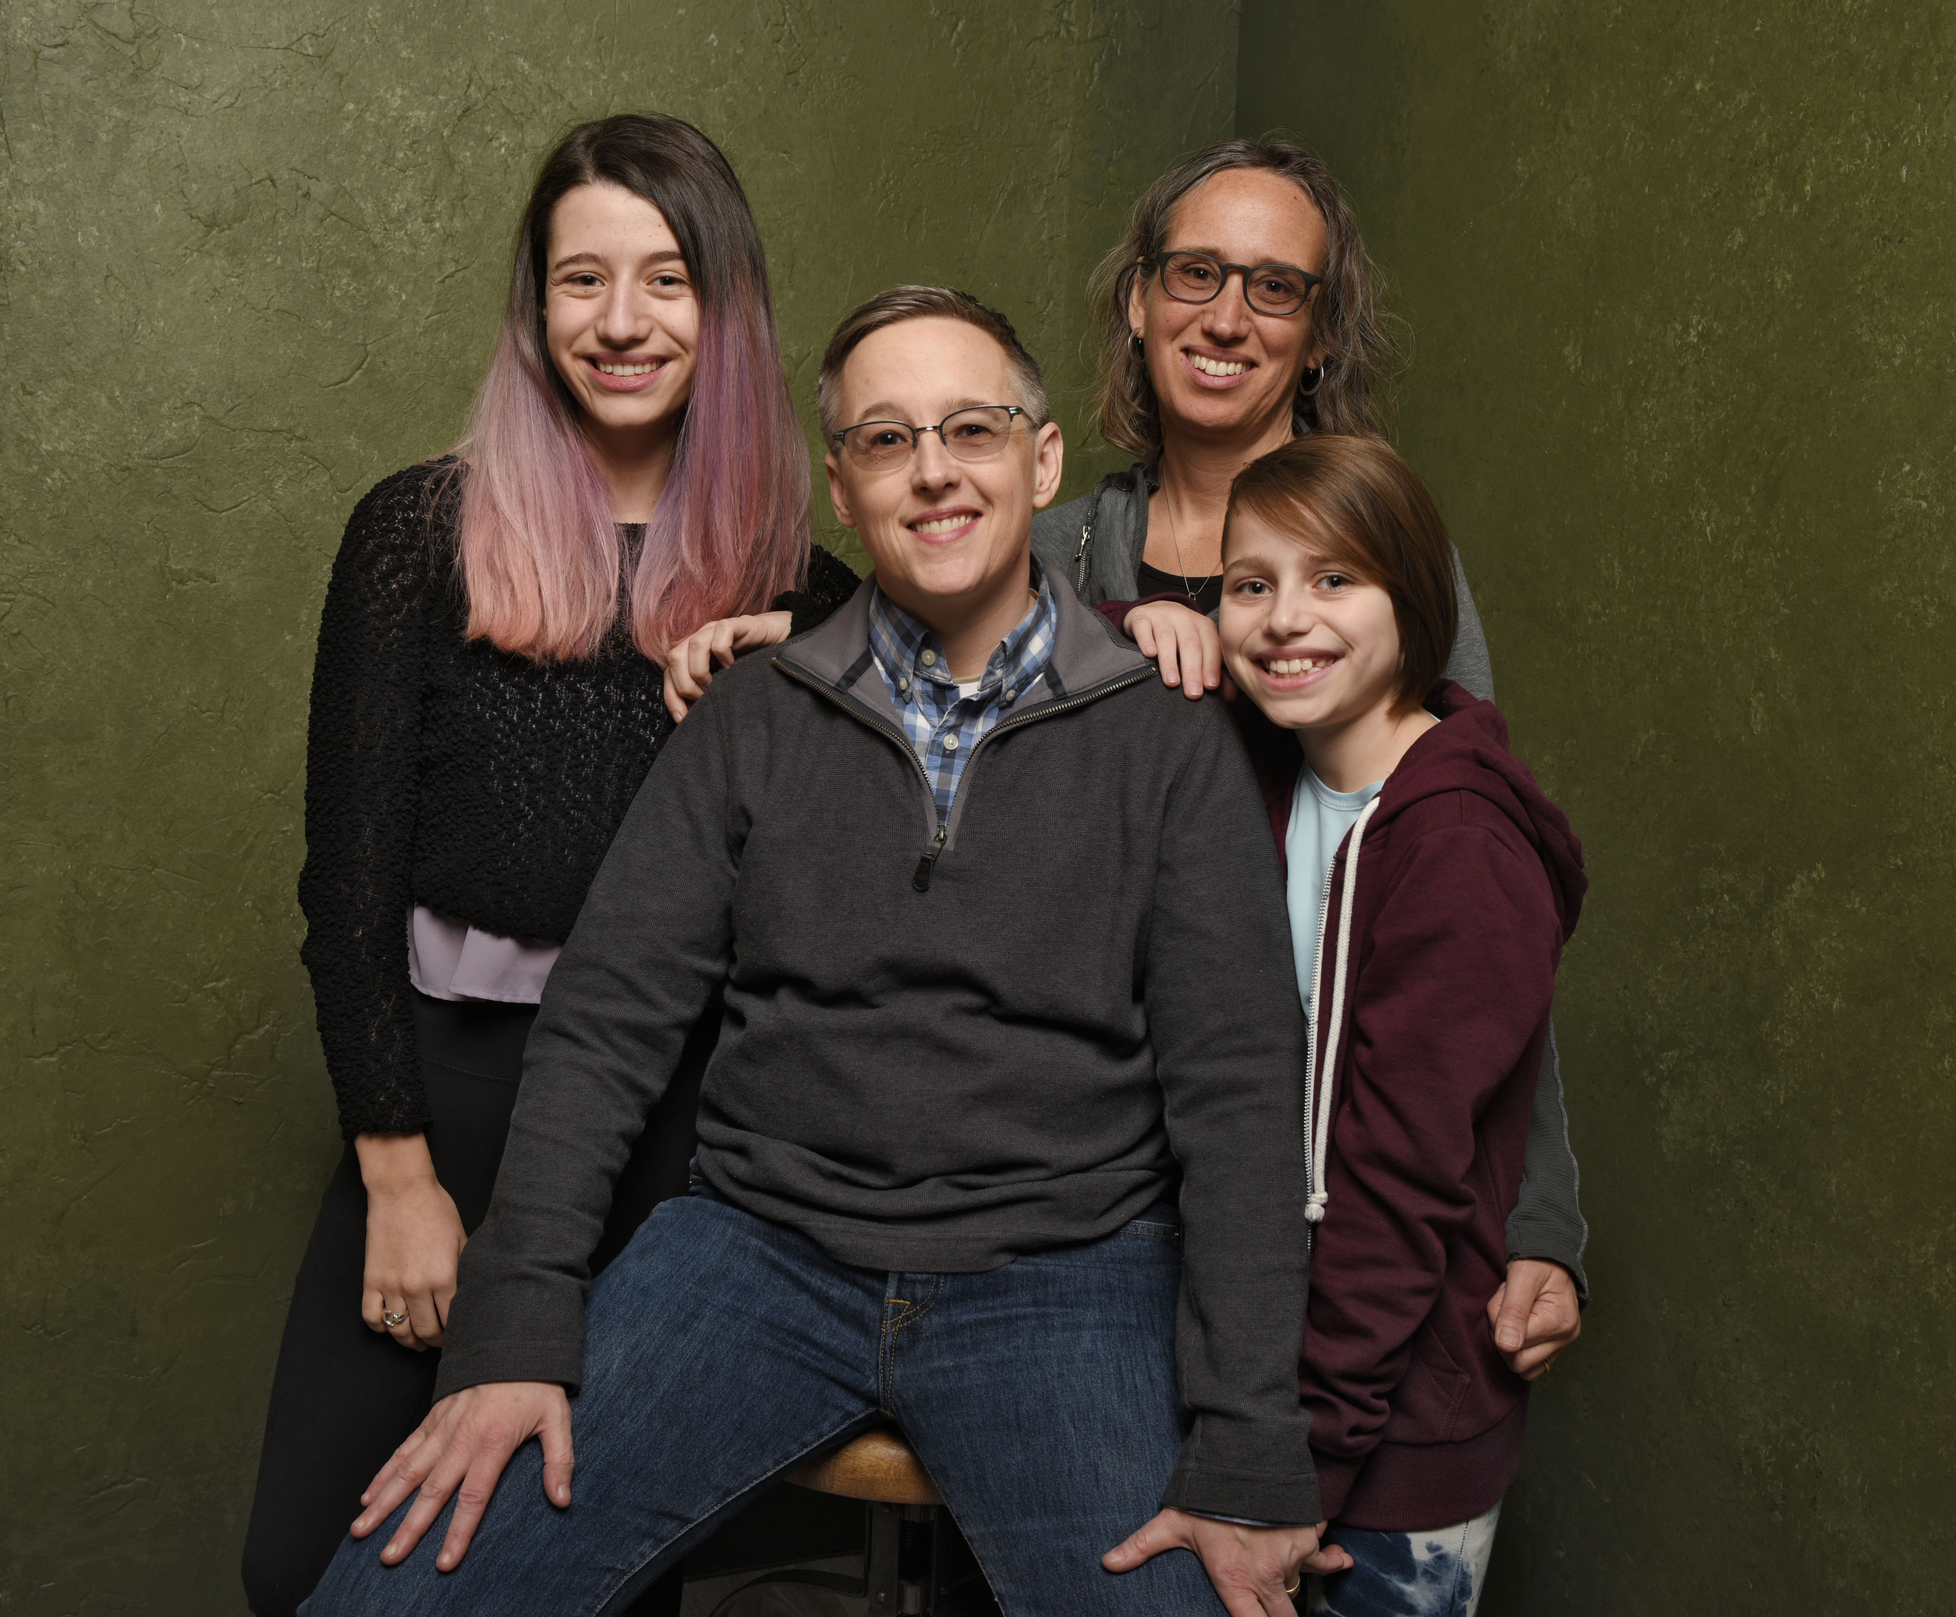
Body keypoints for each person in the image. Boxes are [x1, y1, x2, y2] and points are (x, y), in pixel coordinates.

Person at [301, 286, 1345, 1617]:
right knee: (396, 1595)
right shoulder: (752, 716)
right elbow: (606, 1026)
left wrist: (1252, 1440)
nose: (933, 472)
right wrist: (514, 1327)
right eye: (886, 440)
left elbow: (1242, 1097)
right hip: (757, 1257)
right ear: (842, 491)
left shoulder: (1166, 741)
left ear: (1041, 459)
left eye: (971, 429)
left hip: (1065, 1274)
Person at [661, 136, 1587, 1375]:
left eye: (1275, 287)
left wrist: (1541, 1218)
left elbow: (1478, 902)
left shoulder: (1382, 565)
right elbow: (915, 609)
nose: (1226, 314)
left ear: (1320, 334)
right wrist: (788, 637)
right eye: (1195, 271)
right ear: (1139, 299)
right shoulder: (1054, 549)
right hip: (1101, 1201)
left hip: (1343, 1138)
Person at [239, 114, 858, 1617]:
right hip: (443, 1092)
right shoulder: (420, 533)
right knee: (300, 1566)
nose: (624, 321)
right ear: (535, 306)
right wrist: (396, 1170)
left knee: (573, 1566)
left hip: (676, 1126)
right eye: (584, 279)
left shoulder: (809, 583)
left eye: (665, 278)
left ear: (727, 308)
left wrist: (831, 672)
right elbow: (349, 882)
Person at [1213, 436, 1585, 1613]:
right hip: (1286, 1392)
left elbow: (1395, 1179)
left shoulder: (1459, 846)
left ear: (1413, 599)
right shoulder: (1280, 778)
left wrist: (1301, 1469)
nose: (1284, 619)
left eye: (1334, 580)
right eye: (1247, 585)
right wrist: (1136, 622)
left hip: (1396, 1438)